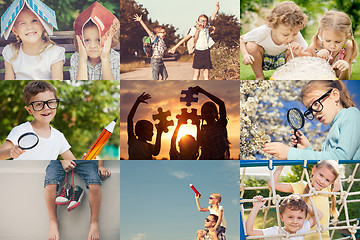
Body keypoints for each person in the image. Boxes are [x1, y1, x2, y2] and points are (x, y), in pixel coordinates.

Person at [262, 80, 360, 160]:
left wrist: (291, 154)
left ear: (334, 95)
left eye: (316, 103)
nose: (313, 112)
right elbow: (328, 163)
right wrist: (306, 149)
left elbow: (342, 158)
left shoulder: (351, 114)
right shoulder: (334, 127)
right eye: (310, 109)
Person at [0, 81, 73, 160]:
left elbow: (74, 163)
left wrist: (82, 162)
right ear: (29, 110)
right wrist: (10, 152)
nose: (46, 108)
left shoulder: (59, 137)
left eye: (50, 102)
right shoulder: (20, 130)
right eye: (39, 104)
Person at [268, 160, 340, 239]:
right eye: (321, 175)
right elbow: (272, 184)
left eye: (327, 180)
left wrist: (334, 161)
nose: (322, 181)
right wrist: (282, 163)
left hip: (322, 237)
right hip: (304, 237)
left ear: (331, 183)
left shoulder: (326, 190)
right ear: (314, 170)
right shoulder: (302, 186)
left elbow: (338, 186)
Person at [240, 1, 310, 80]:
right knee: (251, 45)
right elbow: (242, 39)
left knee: (294, 52)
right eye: (285, 35)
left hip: (283, 60)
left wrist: (300, 53)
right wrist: (245, 55)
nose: (291, 38)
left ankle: (284, 75)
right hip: (263, 59)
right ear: (273, 27)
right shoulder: (263, 31)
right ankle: (259, 76)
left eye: (294, 34)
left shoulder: (293, 31)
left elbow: (309, 54)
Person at [44, 160, 110, 240]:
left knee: (95, 184)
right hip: (60, 160)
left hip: (86, 160)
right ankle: (53, 221)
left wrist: (101, 166)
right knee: (50, 183)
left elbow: (99, 148)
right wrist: (63, 160)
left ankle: (94, 222)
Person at [2, 7, 65, 80]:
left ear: (43, 25)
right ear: (15, 31)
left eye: (34, 21)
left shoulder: (54, 53)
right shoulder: (10, 52)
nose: (29, 27)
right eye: (22, 23)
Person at [168, 2, 220, 80]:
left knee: (206, 73)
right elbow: (185, 39)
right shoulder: (194, 29)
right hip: (198, 52)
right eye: (201, 20)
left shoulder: (207, 27)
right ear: (198, 21)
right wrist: (175, 47)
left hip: (206, 51)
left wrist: (217, 9)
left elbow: (212, 17)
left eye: (205, 21)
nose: (203, 22)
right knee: (197, 73)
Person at [306, 11, 359, 80]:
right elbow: (307, 72)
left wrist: (345, 69)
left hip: (337, 75)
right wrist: (318, 59)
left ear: (346, 38)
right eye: (328, 41)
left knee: (337, 71)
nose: (332, 46)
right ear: (321, 35)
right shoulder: (315, 45)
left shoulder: (348, 47)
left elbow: (345, 79)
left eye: (337, 42)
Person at [246, 194, 323, 239]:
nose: (295, 221)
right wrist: (256, 207)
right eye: (290, 217)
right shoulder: (276, 231)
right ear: (282, 217)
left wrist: (303, 203)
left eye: (299, 218)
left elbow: (319, 215)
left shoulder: (302, 229)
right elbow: (250, 231)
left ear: (304, 218)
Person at [191, 86, 229, 159]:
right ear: (202, 116)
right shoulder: (203, 129)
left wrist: (203, 91)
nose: (208, 114)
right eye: (205, 113)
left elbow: (221, 104)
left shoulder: (221, 124)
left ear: (216, 113)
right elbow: (199, 143)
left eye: (210, 112)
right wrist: (197, 126)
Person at [127, 92, 164, 159]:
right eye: (150, 130)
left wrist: (159, 133)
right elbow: (130, 118)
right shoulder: (132, 140)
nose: (152, 133)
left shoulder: (150, 147)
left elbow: (156, 152)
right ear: (140, 131)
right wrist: (137, 102)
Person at [134, 14, 168, 80]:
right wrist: (141, 21)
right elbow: (147, 30)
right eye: (163, 32)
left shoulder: (163, 42)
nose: (165, 34)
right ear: (157, 33)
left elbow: (165, 52)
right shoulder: (154, 38)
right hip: (155, 61)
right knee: (156, 78)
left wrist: (171, 51)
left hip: (161, 61)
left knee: (165, 77)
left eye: (165, 32)